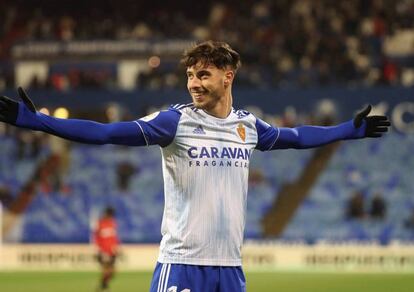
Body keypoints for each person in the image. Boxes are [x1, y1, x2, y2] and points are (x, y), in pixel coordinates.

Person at [0, 41, 390, 292]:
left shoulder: (247, 127)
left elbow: (298, 137)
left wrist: (349, 130)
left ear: (227, 76)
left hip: (230, 271)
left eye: (203, 74)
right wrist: (38, 121)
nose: (194, 83)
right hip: (182, 266)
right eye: (190, 75)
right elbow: (106, 133)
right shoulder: (175, 121)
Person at [94, 206, 119, 292]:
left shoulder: (112, 223)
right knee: (107, 270)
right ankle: (104, 287)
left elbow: (114, 238)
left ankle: (102, 286)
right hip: (104, 252)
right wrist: (100, 251)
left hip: (112, 252)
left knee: (113, 272)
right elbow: (96, 238)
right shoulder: (100, 224)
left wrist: (116, 247)